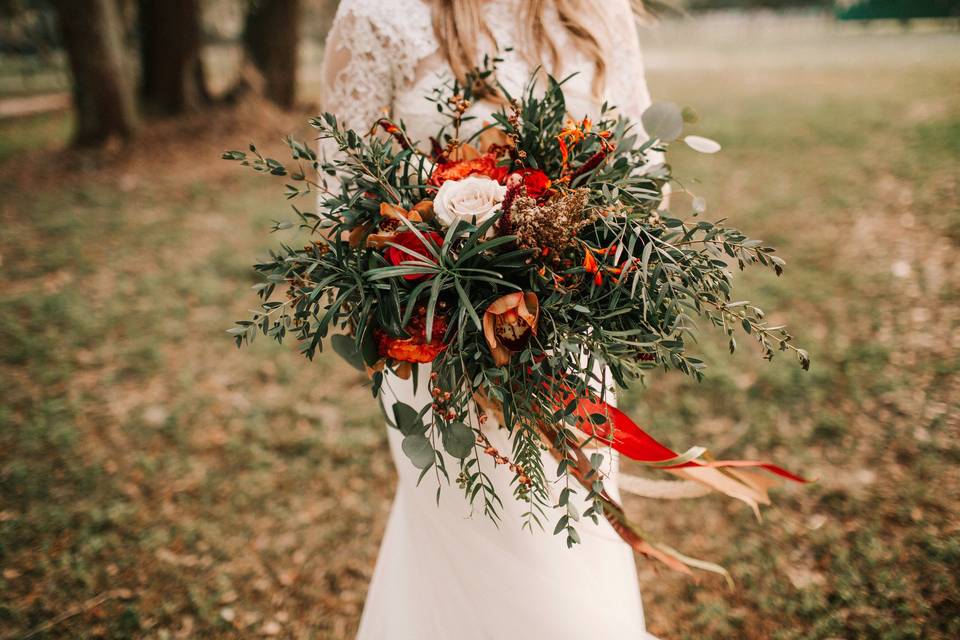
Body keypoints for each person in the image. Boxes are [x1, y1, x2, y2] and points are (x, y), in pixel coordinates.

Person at [319, 1, 660, 637]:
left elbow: (643, 174)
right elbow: (342, 205)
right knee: (474, 557)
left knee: (572, 562)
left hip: (570, 345)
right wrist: (451, 282)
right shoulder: (376, 13)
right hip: (437, 354)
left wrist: (572, 258)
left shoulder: (596, 7)